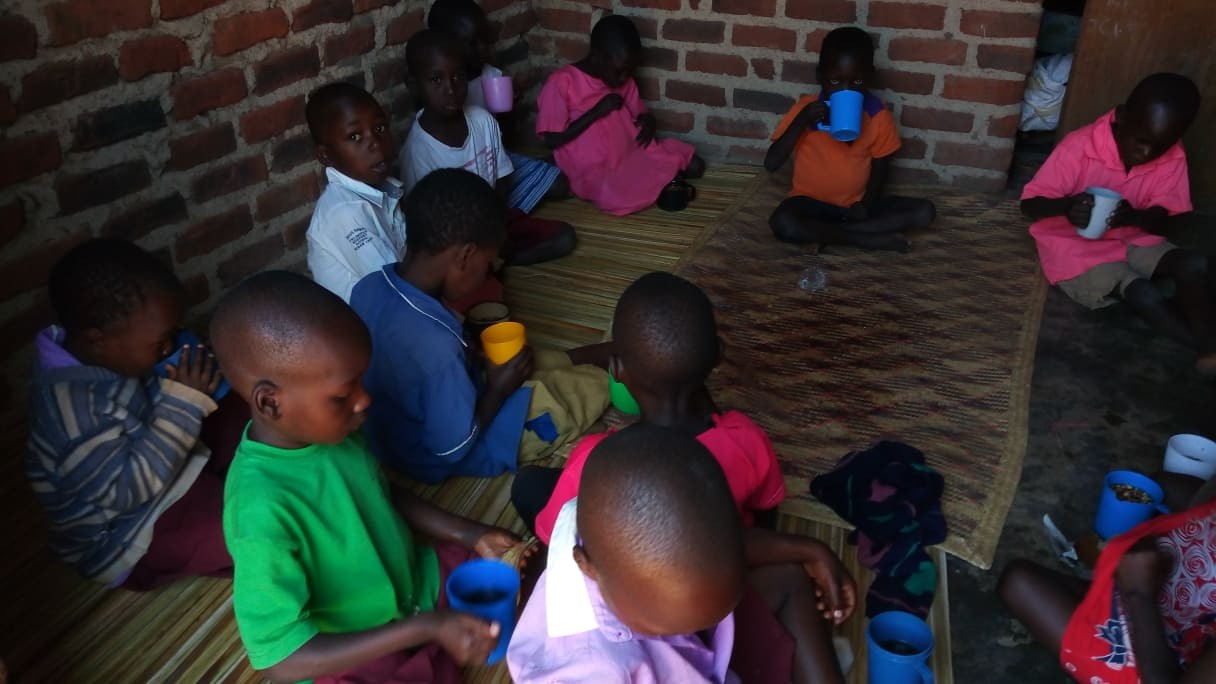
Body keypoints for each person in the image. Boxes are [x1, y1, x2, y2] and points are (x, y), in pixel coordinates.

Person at [211, 270, 523, 684]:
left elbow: (378, 492)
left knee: (507, 572)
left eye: (361, 380)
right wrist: (423, 628)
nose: (364, 399)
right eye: (344, 394)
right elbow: (280, 659)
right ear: (271, 403)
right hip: (352, 645)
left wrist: (469, 533)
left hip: (413, 581)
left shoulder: (335, 430)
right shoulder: (259, 509)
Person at [507, 424, 855, 684]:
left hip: (688, 662)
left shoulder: (611, 541)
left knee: (790, 574)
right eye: (666, 624)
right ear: (588, 568)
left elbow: (720, 544)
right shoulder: (595, 670)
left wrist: (813, 550)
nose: (695, 629)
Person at [349, 168, 610, 483]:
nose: (488, 274)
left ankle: (593, 357)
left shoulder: (367, 287)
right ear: (465, 257)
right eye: (488, 265)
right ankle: (608, 374)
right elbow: (452, 448)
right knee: (573, 394)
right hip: (439, 451)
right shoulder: (439, 347)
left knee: (523, 362)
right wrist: (497, 391)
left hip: (392, 429)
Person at [26, 239, 244, 591]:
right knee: (248, 530)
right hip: (132, 529)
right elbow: (127, 492)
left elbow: (155, 402)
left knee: (247, 411)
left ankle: (247, 482)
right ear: (98, 340)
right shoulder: (72, 413)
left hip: (165, 457)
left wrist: (189, 379)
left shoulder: (110, 353)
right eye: (160, 342)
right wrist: (185, 403)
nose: (168, 347)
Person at [511, 271, 786, 543]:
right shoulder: (746, 438)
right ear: (718, 354)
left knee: (527, 483)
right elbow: (765, 513)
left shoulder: (594, 460)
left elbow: (560, 539)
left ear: (616, 369)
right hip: (716, 554)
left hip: (625, 561)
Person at [1020, 72, 1215, 374]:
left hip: (1131, 237)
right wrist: (1066, 207)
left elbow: (1161, 218)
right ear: (1121, 117)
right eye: (1141, 141)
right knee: (1142, 292)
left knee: (1193, 264)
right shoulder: (1079, 146)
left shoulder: (1173, 155)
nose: (1147, 153)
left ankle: (1209, 346)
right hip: (1074, 249)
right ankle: (1206, 349)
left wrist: (1136, 216)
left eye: (1159, 147)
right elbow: (1029, 204)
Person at [998, 474, 1216, 683]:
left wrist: (1138, 593)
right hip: (1193, 603)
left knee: (1018, 583)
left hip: (1158, 664)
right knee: (1160, 486)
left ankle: (1121, 594)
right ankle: (1116, 590)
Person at [399, 29, 576, 266]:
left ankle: (498, 259)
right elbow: (428, 225)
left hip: (492, 217)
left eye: (458, 76)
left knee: (564, 237)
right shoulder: (417, 152)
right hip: (456, 240)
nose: (451, 89)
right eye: (436, 80)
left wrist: (496, 226)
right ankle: (490, 262)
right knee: (455, 268)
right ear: (413, 85)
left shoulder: (482, 120)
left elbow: (502, 178)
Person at [766, 26, 936, 253]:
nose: (844, 91)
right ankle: (864, 238)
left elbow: (880, 168)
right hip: (810, 204)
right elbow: (771, 163)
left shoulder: (877, 115)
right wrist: (802, 121)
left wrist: (866, 204)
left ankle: (832, 234)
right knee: (782, 221)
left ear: (870, 77)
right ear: (820, 76)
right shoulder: (806, 110)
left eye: (856, 83)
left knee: (924, 212)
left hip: (854, 208)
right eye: (835, 82)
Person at [536, 14, 706, 216]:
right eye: (619, 71)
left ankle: (655, 180)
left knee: (695, 165)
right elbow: (552, 140)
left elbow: (640, 115)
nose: (624, 78)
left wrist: (648, 121)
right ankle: (654, 183)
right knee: (615, 197)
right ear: (597, 56)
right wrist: (596, 112)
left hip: (629, 153)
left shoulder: (623, 81)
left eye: (630, 71)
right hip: (594, 167)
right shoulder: (562, 82)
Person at [426, 0, 574, 215]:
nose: (483, 49)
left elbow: (503, 143)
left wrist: (509, 108)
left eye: (485, 41)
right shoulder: (442, 93)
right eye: (472, 43)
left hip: (494, 161)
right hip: (459, 176)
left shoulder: (491, 76)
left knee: (558, 181)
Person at [304, 82, 407, 303]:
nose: (376, 143)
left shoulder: (383, 191)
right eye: (355, 137)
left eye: (380, 128)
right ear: (325, 156)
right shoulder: (344, 213)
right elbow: (398, 292)